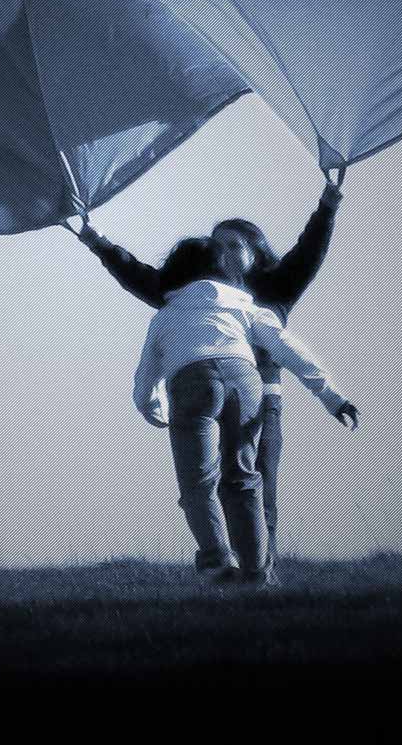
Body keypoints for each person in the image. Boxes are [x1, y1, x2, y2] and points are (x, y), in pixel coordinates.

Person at [80, 183, 343, 566]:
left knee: (253, 479)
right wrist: (97, 242)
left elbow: (308, 251)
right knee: (212, 479)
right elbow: (136, 274)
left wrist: (327, 207)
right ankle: (236, 566)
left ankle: (259, 570)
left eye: (233, 245)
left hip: (261, 399)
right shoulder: (184, 295)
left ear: (256, 253)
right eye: (217, 245)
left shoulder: (274, 288)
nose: (223, 252)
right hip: (214, 390)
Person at [131, 237, 359, 585]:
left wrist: (151, 406)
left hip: (192, 381)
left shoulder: (166, 316)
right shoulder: (242, 305)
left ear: (176, 272)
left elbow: (146, 374)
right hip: (244, 379)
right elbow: (286, 347)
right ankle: (256, 574)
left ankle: (217, 558)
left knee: (197, 482)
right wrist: (331, 397)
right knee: (244, 477)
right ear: (223, 270)